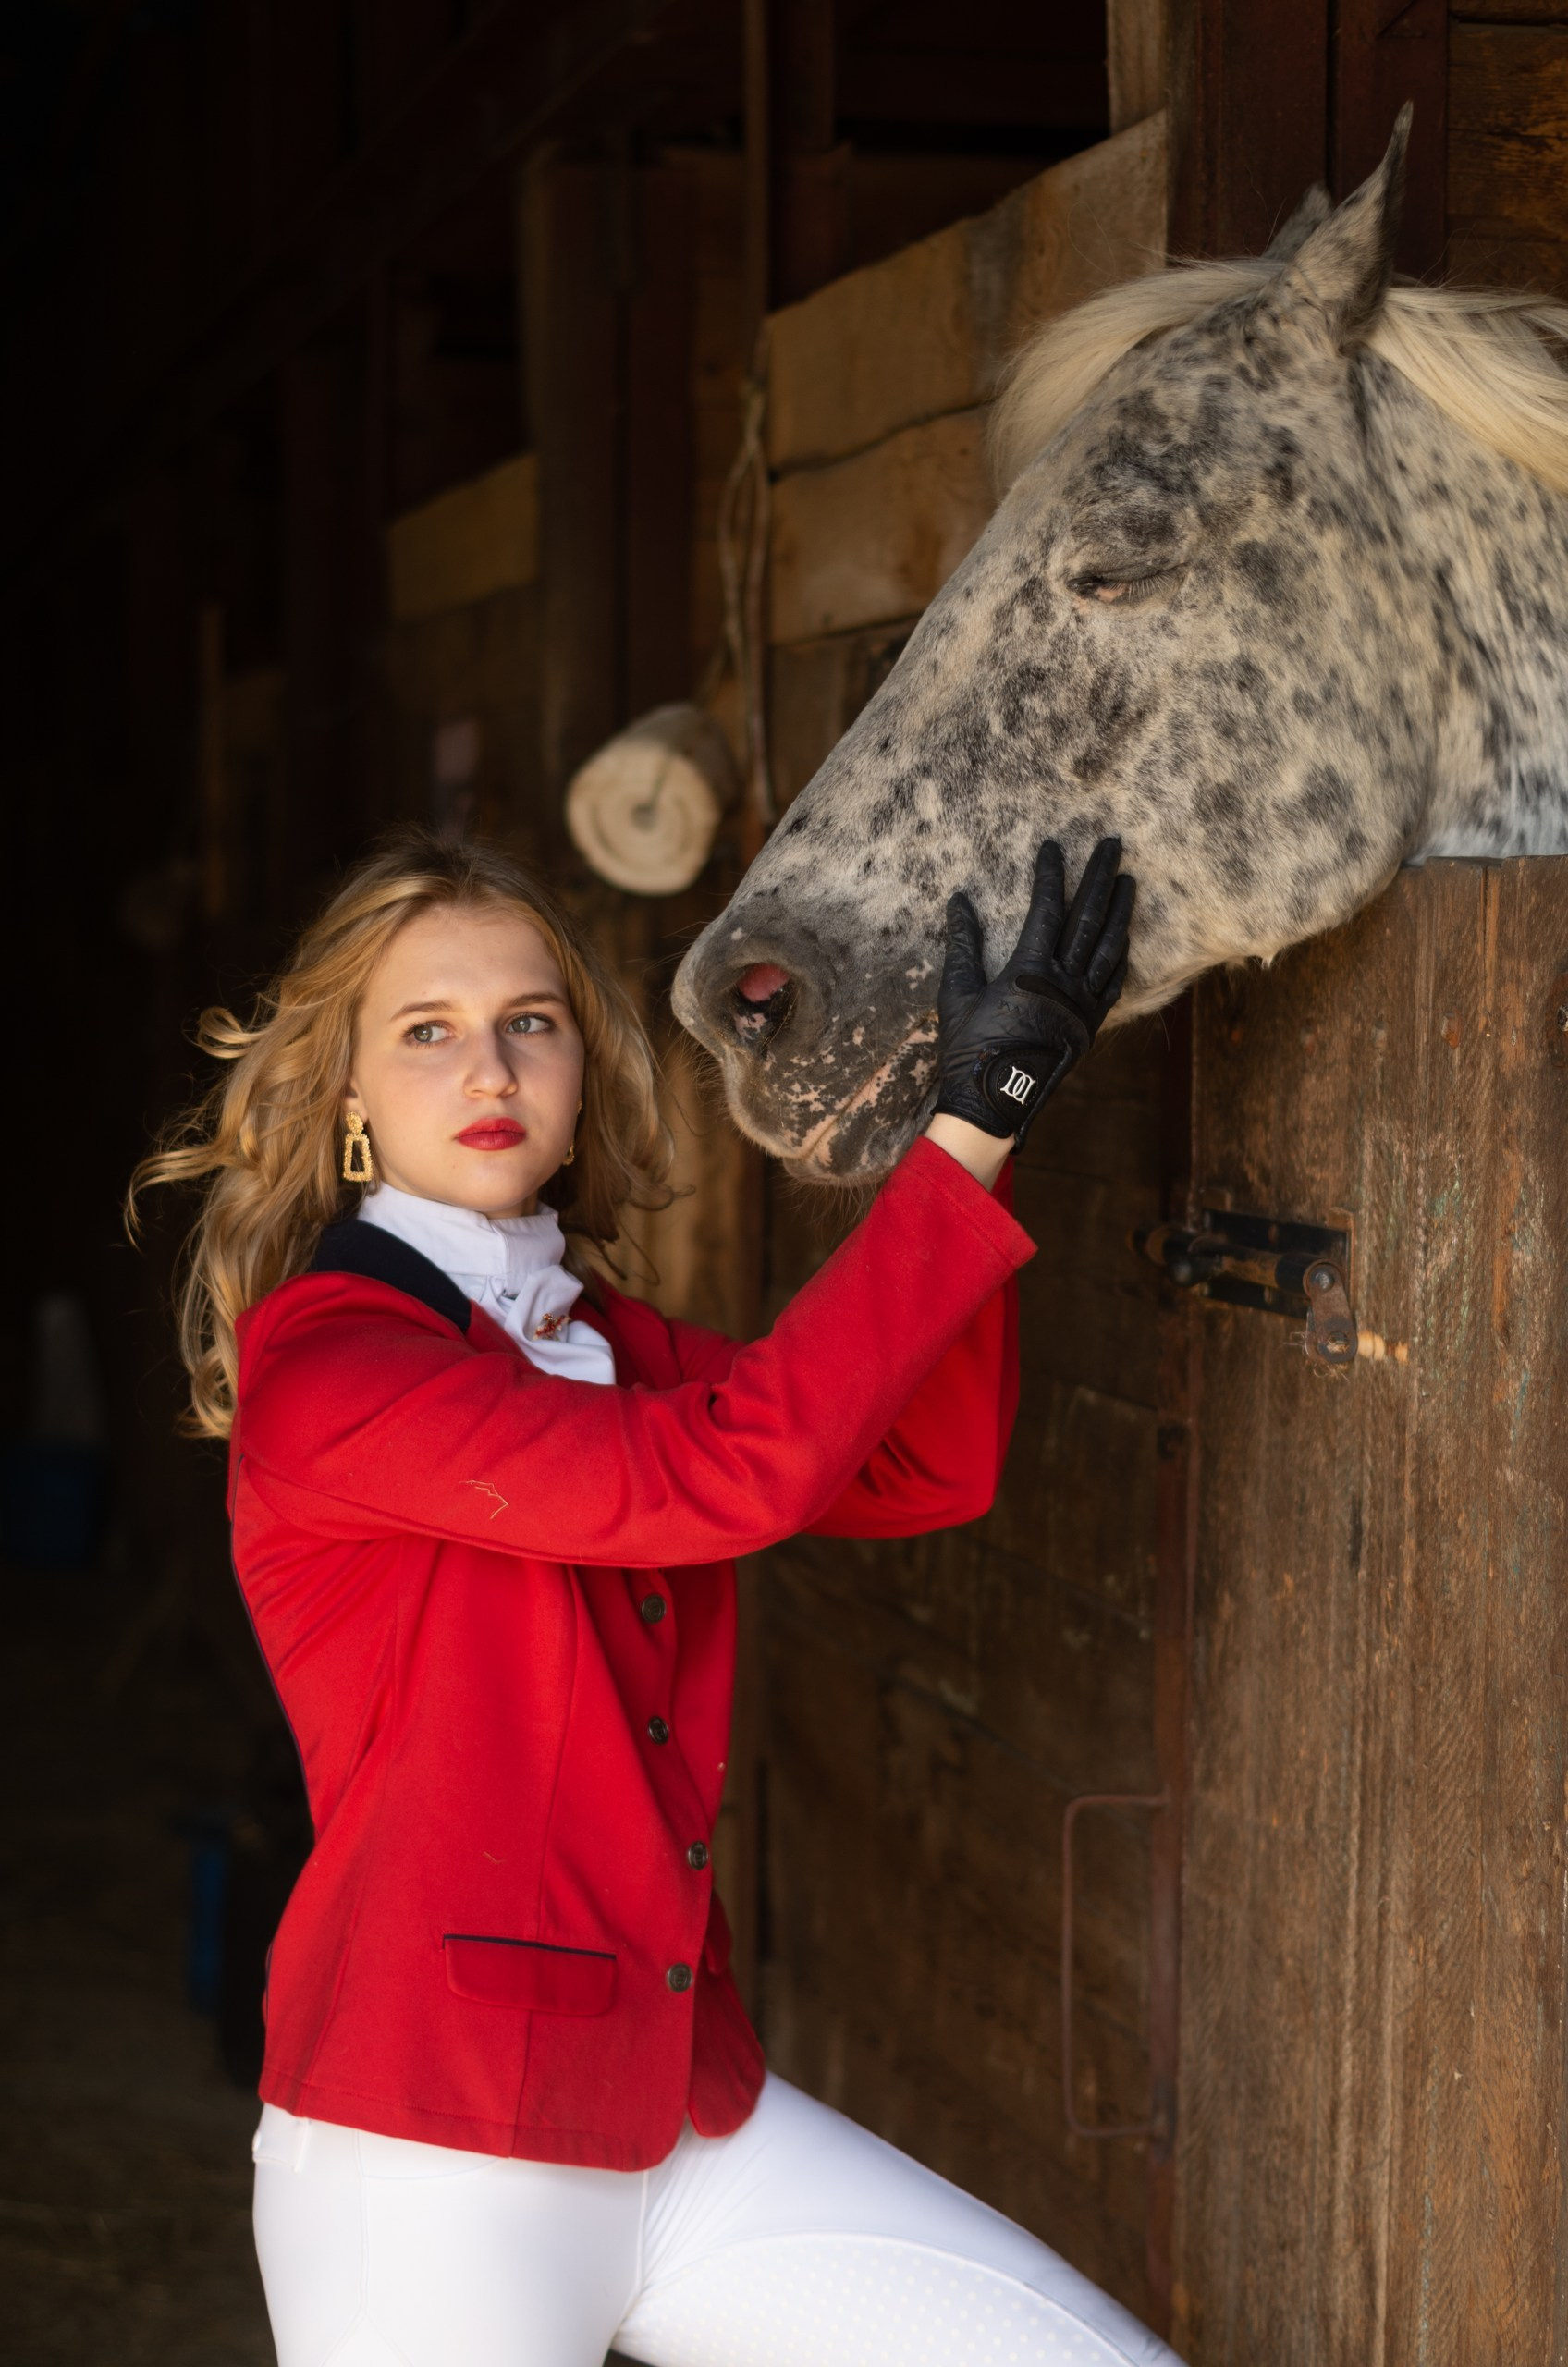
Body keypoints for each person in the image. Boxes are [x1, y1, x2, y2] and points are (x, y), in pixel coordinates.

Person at [131, 828, 1177, 2367]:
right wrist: (963, 1134)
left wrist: (968, 1133)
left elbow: (920, 1467)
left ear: (579, 1072)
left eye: (529, 1022)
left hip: (684, 2113)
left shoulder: (594, 1340)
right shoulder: (333, 1368)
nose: (490, 1068)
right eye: (426, 1032)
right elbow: (734, 1473)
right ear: (347, 1093)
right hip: (430, 2162)